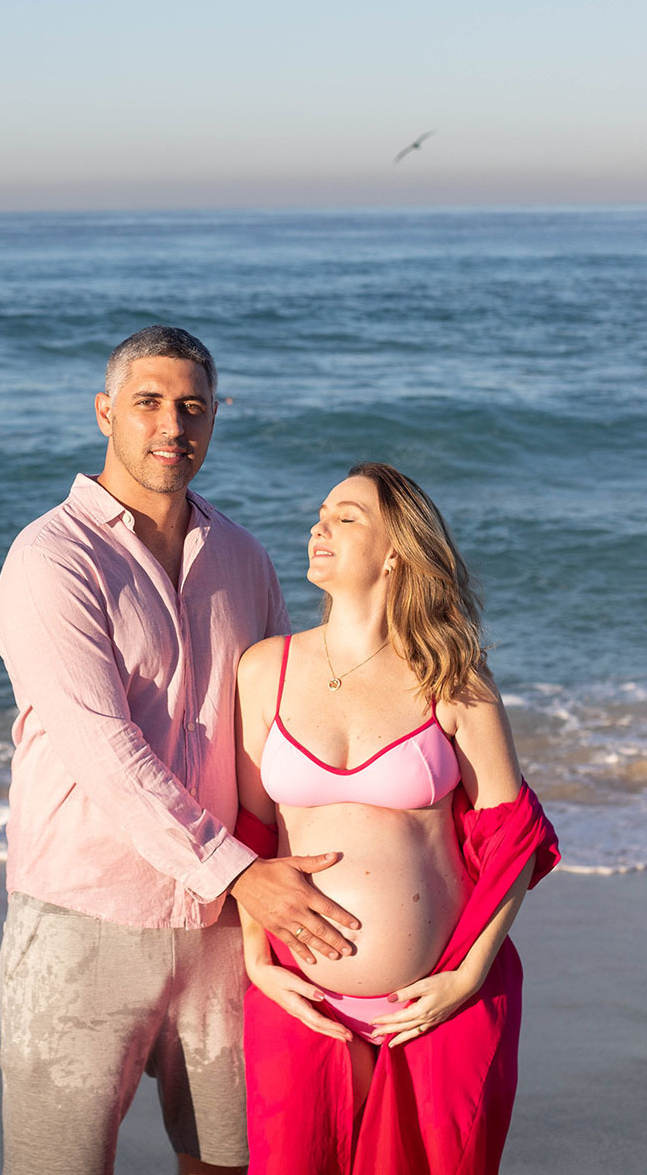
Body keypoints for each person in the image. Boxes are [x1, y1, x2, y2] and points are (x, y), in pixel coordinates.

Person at [0, 325, 359, 1175]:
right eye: (149, 403)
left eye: (193, 407)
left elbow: (281, 726)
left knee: (234, 1162)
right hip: (83, 922)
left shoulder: (243, 557)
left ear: (214, 418)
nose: (172, 426)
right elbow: (102, 748)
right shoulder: (52, 558)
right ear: (105, 412)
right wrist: (240, 871)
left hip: (230, 934)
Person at [235, 461, 560, 1175]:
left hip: (435, 1007)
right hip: (303, 1000)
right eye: (320, 512)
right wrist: (258, 963)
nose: (319, 525)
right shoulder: (265, 669)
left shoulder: (451, 676)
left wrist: (467, 979)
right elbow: (251, 837)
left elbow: (516, 839)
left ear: (395, 551)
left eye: (346, 516)